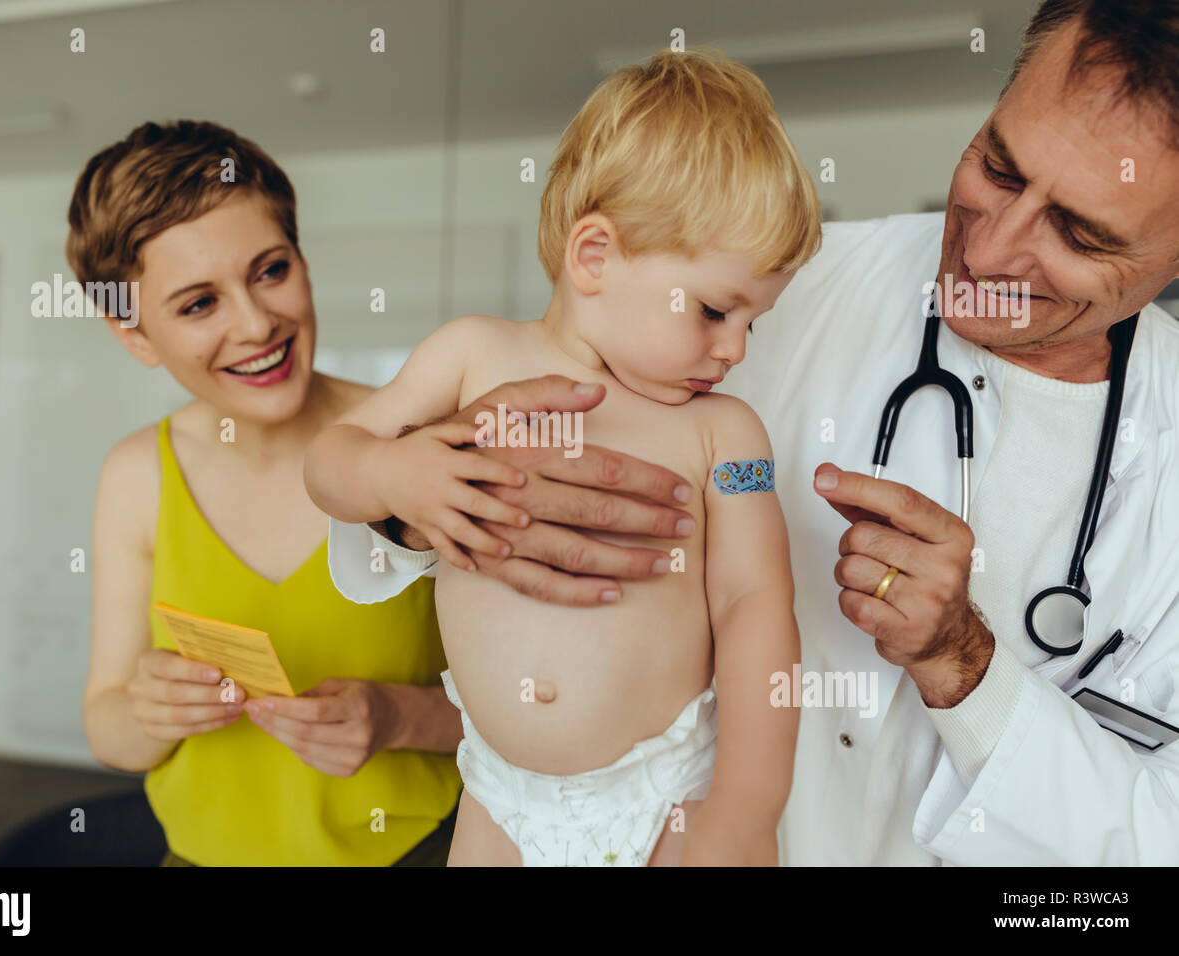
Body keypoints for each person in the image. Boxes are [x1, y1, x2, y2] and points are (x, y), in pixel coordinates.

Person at [328, 0, 1179, 865]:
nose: (994, 250)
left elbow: (1155, 841)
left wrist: (967, 667)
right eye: (998, 167)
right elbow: (377, 470)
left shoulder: (727, 375)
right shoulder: (765, 270)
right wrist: (422, 500)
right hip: (508, 796)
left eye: (1078, 232)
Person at [307, 50, 819, 866]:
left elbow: (757, 603)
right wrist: (397, 476)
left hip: (663, 795)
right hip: (499, 793)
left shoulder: (730, 438)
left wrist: (750, 808)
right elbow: (330, 460)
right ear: (594, 256)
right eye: (719, 310)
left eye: (752, 323)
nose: (735, 349)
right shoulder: (469, 355)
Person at [75, 120, 462, 866]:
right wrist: (153, 710)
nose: (257, 325)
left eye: (270, 270)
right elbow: (107, 724)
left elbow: (538, 709)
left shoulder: (415, 443)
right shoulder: (136, 476)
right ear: (136, 337)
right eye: (197, 305)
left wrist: (398, 718)